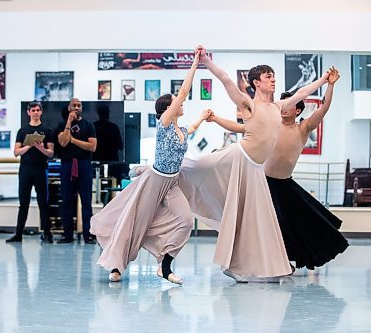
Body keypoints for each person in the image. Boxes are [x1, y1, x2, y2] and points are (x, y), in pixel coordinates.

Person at [178, 46, 332, 282]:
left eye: (273, 77)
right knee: (196, 167)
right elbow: (226, 79)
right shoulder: (249, 105)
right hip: (238, 157)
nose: (273, 80)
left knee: (252, 220)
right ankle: (152, 170)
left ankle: (238, 265)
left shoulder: (278, 107)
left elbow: (302, 92)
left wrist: (324, 80)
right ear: (256, 83)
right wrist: (205, 60)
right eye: (268, 77)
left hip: (255, 170)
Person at [90, 50, 208, 285]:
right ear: (168, 108)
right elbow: (184, 91)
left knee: (185, 221)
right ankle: (116, 266)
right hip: (154, 182)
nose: (180, 102)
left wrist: (204, 116)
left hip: (172, 183)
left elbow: (191, 129)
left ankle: (164, 266)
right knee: (134, 222)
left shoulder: (180, 131)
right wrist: (196, 62)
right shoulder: (164, 124)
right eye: (176, 101)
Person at [264, 67, 349, 270]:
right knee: (270, 224)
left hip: (284, 185)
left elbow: (325, 106)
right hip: (264, 182)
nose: (284, 108)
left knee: (295, 224)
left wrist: (331, 85)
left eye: (290, 104)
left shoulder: (303, 129)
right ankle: (268, 261)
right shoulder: (271, 125)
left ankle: (285, 261)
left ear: (298, 110)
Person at [6, 101, 54, 243]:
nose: (35, 112)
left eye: (38, 110)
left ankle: (47, 233)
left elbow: (51, 153)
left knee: (43, 203)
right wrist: (29, 145)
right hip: (26, 170)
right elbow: (16, 152)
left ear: (41, 112)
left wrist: (41, 148)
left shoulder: (47, 131)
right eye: (33, 110)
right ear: (28, 112)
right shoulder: (22, 131)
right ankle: (18, 234)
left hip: (40, 169)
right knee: (23, 203)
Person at [56, 98, 97, 244]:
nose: (76, 107)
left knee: (86, 201)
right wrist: (69, 122)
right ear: (69, 108)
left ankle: (88, 234)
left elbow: (92, 146)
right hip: (67, 165)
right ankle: (68, 235)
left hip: (84, 165)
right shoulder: (61, 125)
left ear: (82, 108)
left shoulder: (88, 125)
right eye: (73, 105)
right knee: (67, 201)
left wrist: (74, 141)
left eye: (79, 105)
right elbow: (62, 142)